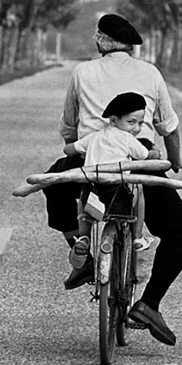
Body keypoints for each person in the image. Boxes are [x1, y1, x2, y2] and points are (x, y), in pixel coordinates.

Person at [43, 13, 182, 346]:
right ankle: (149, 305)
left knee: (53, 186)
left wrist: (81, 147)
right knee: (180, 232)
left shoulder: (83, 72)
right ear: (131, 47)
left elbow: (68, 127)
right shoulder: (150, 73)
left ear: (100, 41)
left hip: (90, 161)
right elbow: (168, 126)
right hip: (137, 164)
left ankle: (81, 252)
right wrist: (174, 160)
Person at [62, 92, 160, 270]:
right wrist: (156, 154)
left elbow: (69, 150)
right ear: (113, 120)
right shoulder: (128, 139)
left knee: (83, 198)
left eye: (140, 123)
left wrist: (77, 150)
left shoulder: (94, 137)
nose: (136, 128)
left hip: (94, 189)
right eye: (131, 122)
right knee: (138, 188)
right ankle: (137, 237)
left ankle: (84, 236)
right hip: (119, 188)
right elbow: (145, 156)